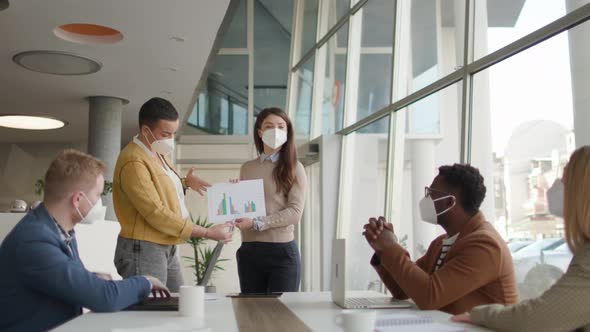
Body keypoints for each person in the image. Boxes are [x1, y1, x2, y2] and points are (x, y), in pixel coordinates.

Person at [0, 150, 169, 332]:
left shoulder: (60, 232)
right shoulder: (34, 241)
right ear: (78, 199)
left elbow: (62, 279)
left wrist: (93, 278)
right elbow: (104, 298)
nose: (99, 202)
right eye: (98, 195)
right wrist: (146, 281)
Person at [452, 146, 590, 332]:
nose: (556, 187)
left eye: (565, 179)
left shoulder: (483, 242)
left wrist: (480, 315)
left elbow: (539, 318)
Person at [363, 164, 518, 314]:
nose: (426, 198)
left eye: (430, 193)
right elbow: (403, 290)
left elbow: (429, 297)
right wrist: (382, 249)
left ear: (449, 202)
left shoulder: (485, 246)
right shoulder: (441, 243)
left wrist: (391, 247)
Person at [113, 97, 232, 292]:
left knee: (177, 304)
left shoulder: (156, 152)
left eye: (174, 134)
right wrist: (208, 233)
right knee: (151, 313)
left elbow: (157, 187)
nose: (170, 140)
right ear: (145, 130)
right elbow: (156, 213)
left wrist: (184, 182)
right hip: (144, 248)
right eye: (166, 134)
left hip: (165, 244)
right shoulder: (134, 161)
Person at [232, 107, 306, 293]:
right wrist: (233, 194)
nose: (276, 131)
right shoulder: (247, 168)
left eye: (281, 127)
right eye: (269, 126)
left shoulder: (295, 168)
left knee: (281, 316)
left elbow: (295, 213)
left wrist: (257, 223)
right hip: (249, 251)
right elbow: (245, 209)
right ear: (260, 131)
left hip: (281, 253)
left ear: (288, 133)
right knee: (252, 314)